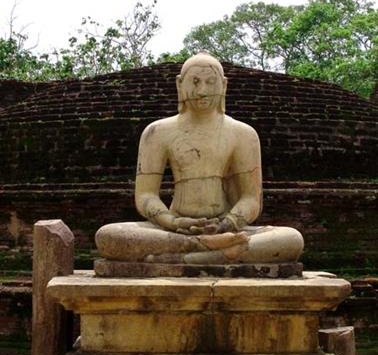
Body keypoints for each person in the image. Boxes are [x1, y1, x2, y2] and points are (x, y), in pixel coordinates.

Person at [96, 53, 304, 264]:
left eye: (210, 82)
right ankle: (210, 251)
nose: (202, 90)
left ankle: (189, 256)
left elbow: (251, 199)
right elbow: (146, 195)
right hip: (175, 228)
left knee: (291, 239)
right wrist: (172, 221)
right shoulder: (157, 132)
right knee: (109, 236)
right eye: (194, 82)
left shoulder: (243, 134)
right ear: (180, 84)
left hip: (226, 227)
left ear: (223, 86)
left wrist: (227, 224)